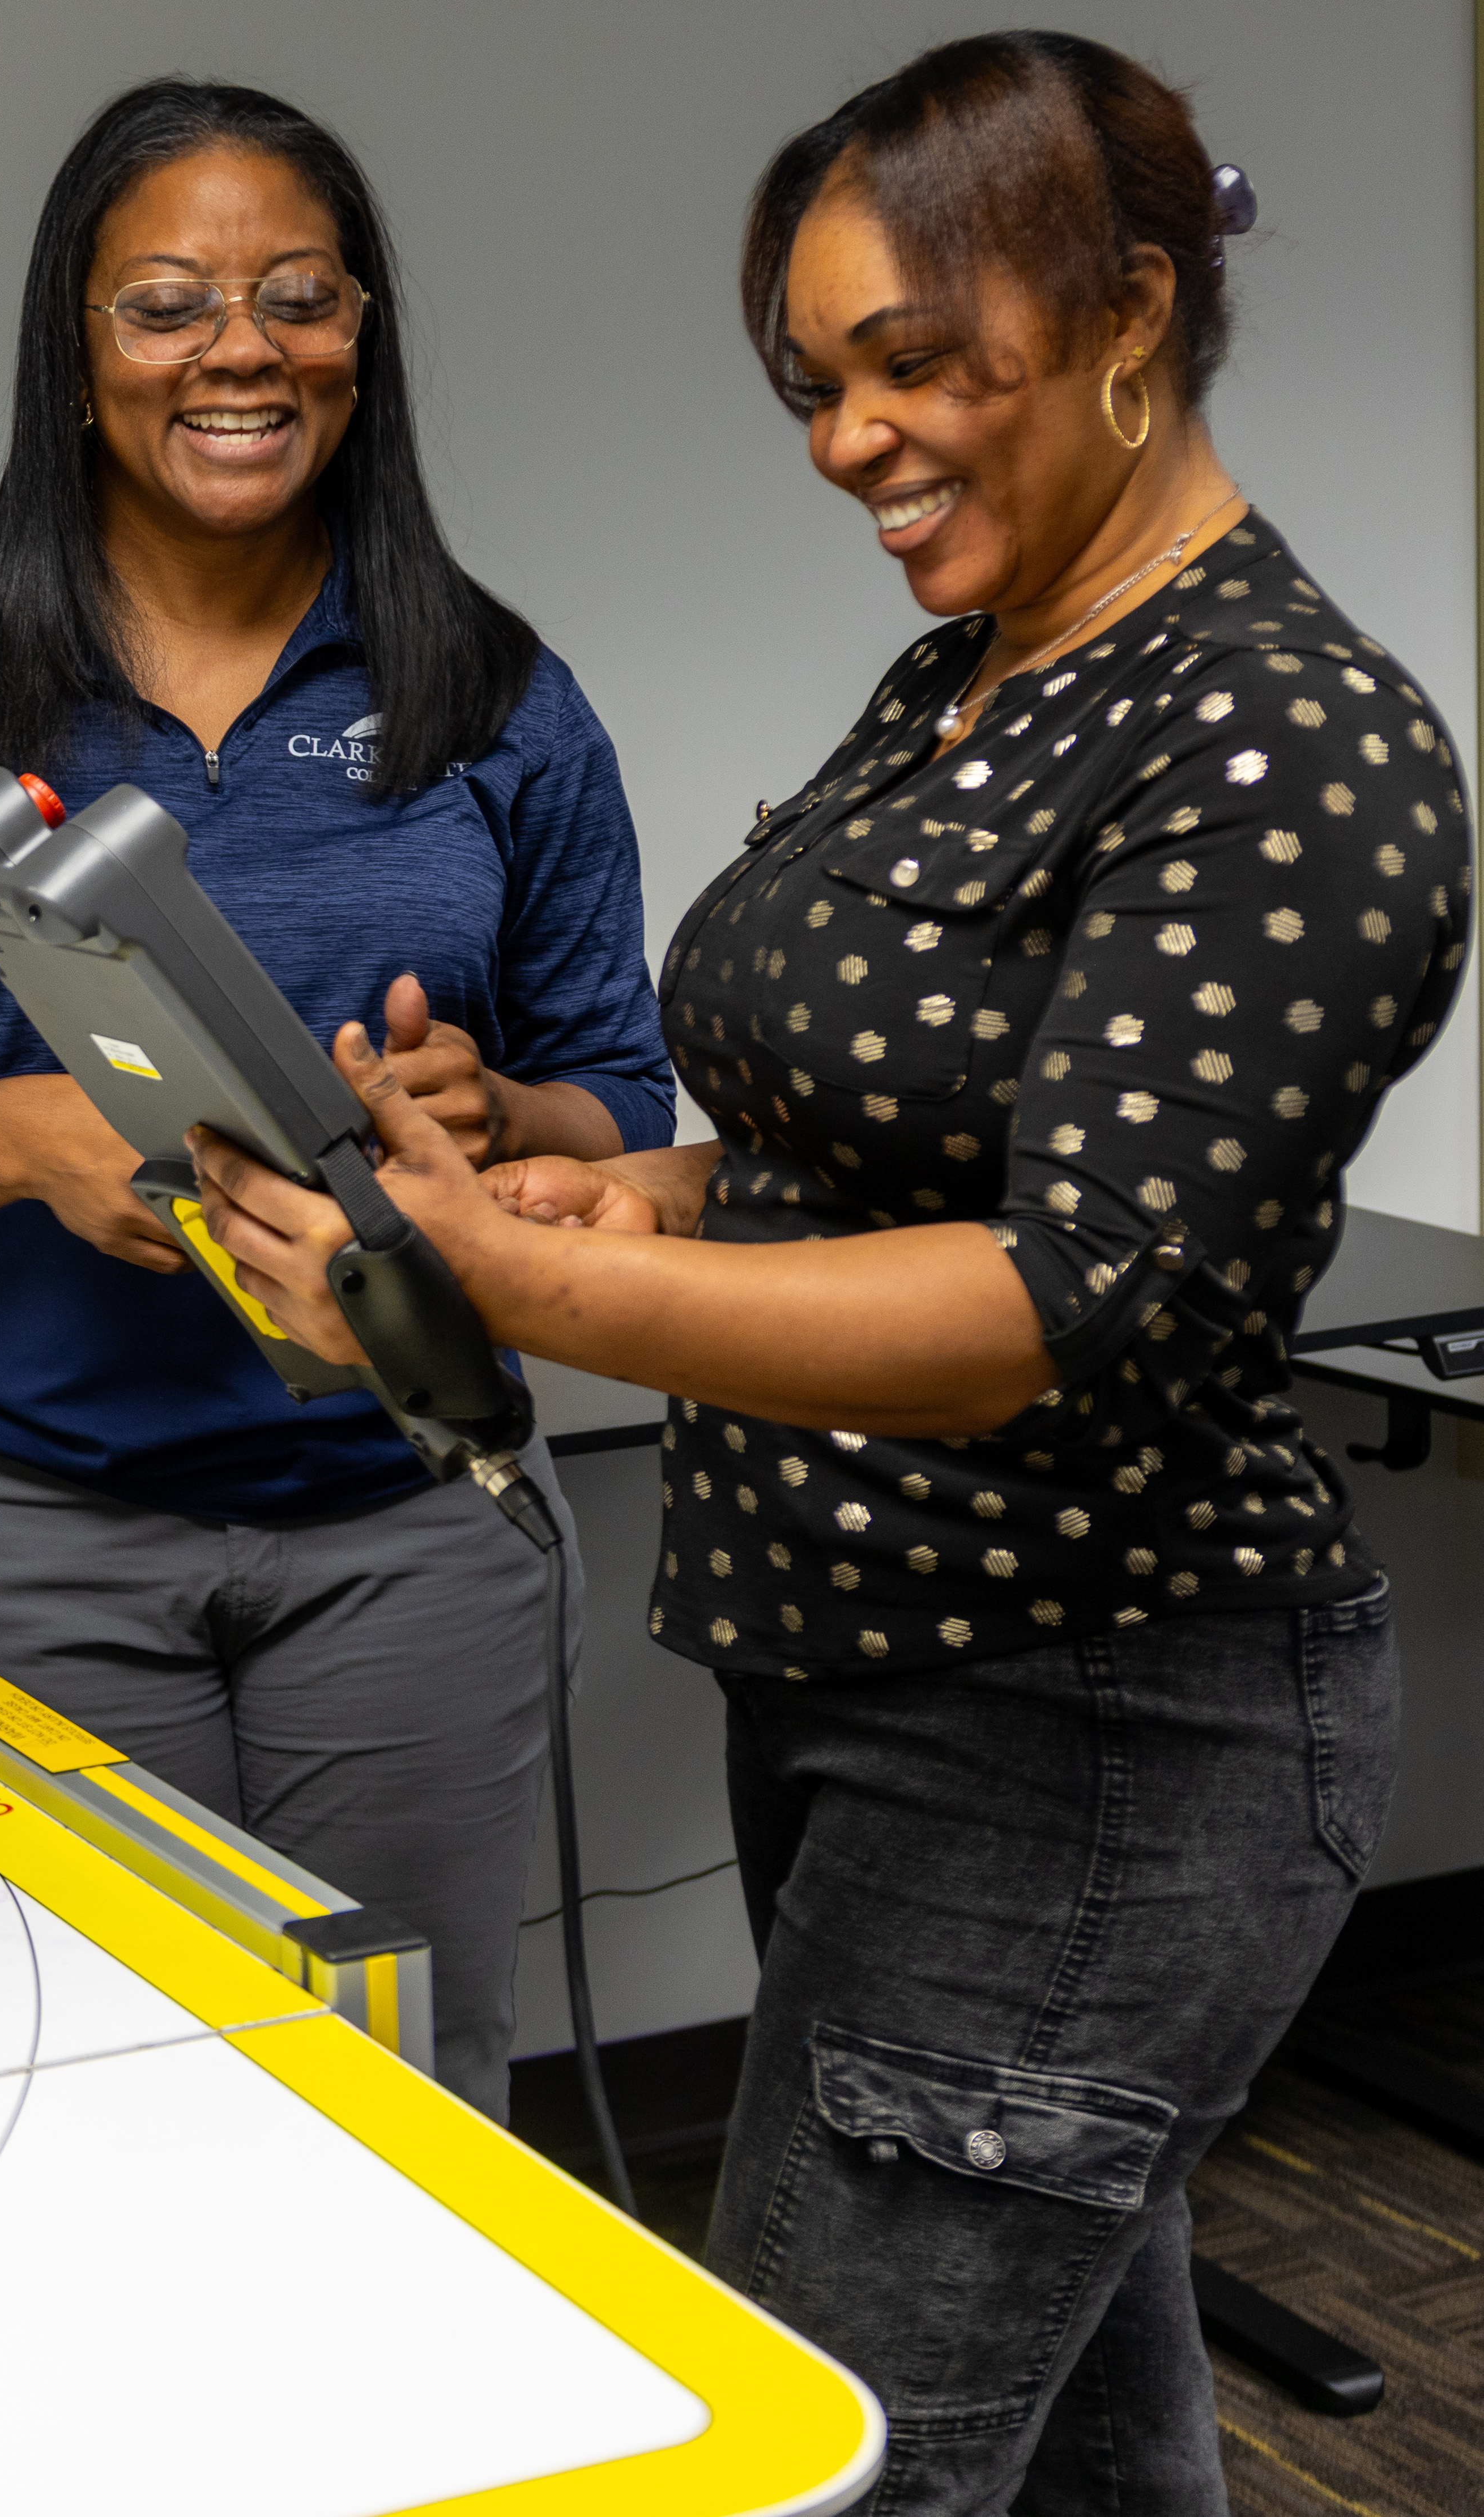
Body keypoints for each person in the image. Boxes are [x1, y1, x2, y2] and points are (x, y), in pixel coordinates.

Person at [182, 32, 1472, 2515]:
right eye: (815, 383)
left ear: (1124, 313)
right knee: (1088, 2446)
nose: (845, 440)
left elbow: (1047, 1298)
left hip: (1090, 1742)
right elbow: (838, 1157)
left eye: (910, 363)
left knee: (807, 2466)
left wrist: (509, 1287)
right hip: (885, 1706)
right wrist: (579, 1188)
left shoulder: (1281, 733)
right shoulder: (979, 678)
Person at [0, 78, 673, 2124]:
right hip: (30, 1537)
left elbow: (621, 1095)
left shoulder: (494, 695)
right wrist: (20, 1144)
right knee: (90, 2116)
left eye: (298, 297)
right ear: (77, 351)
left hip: (414, 1529)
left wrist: (501, 1116)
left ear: (362, 339)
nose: (241, 348)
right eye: (168, 304)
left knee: (414, 2110)